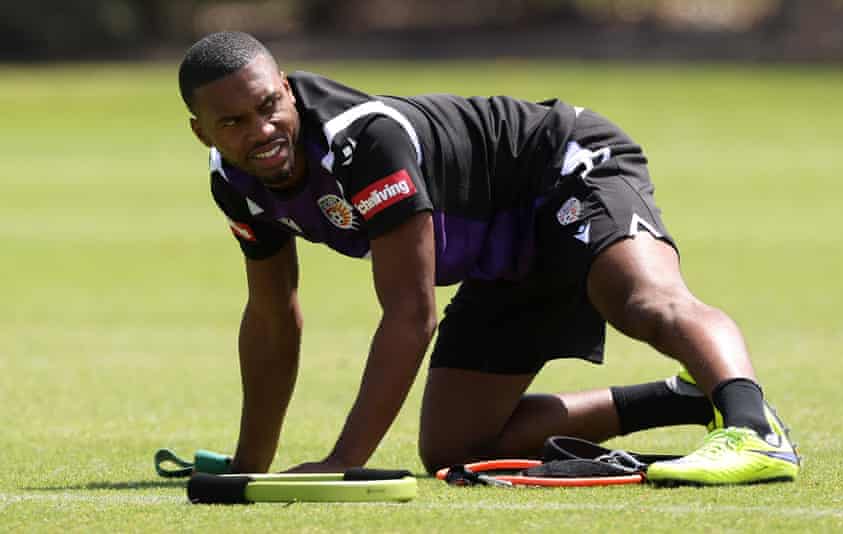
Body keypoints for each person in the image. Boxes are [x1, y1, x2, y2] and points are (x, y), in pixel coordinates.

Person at [177, 31, 799, 485]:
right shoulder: (234, 183)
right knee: (457, 447)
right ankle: (690, 398)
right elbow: (272, 317)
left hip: (565, 166)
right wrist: (247, 469)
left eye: (268, 107)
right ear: (202, 132)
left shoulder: (365, 142)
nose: (261, 131)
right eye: (233, 122)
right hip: (500, 258)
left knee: (639, 298)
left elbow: (411, 313)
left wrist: (345, 462)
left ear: (286, 88)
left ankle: (754, 429)